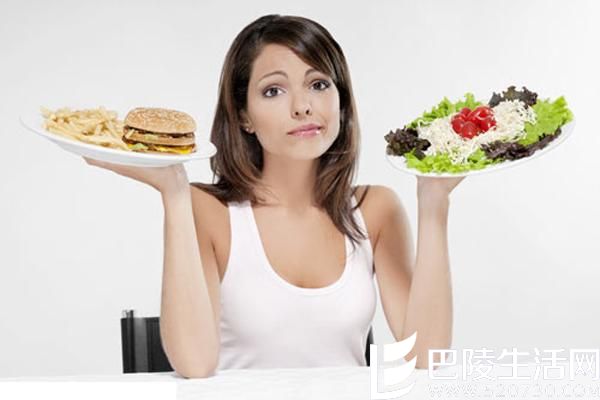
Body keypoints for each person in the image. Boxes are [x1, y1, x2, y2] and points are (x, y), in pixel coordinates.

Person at [84, 14, 463, 378]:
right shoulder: (208, 210)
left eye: (319, 84)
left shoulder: (375, 209)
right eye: (274, 90)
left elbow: (426, 357)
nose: (303, 106)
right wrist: (174, 193)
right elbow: (195, 364)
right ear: (244, 116)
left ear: (341, 100)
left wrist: (434, 202)